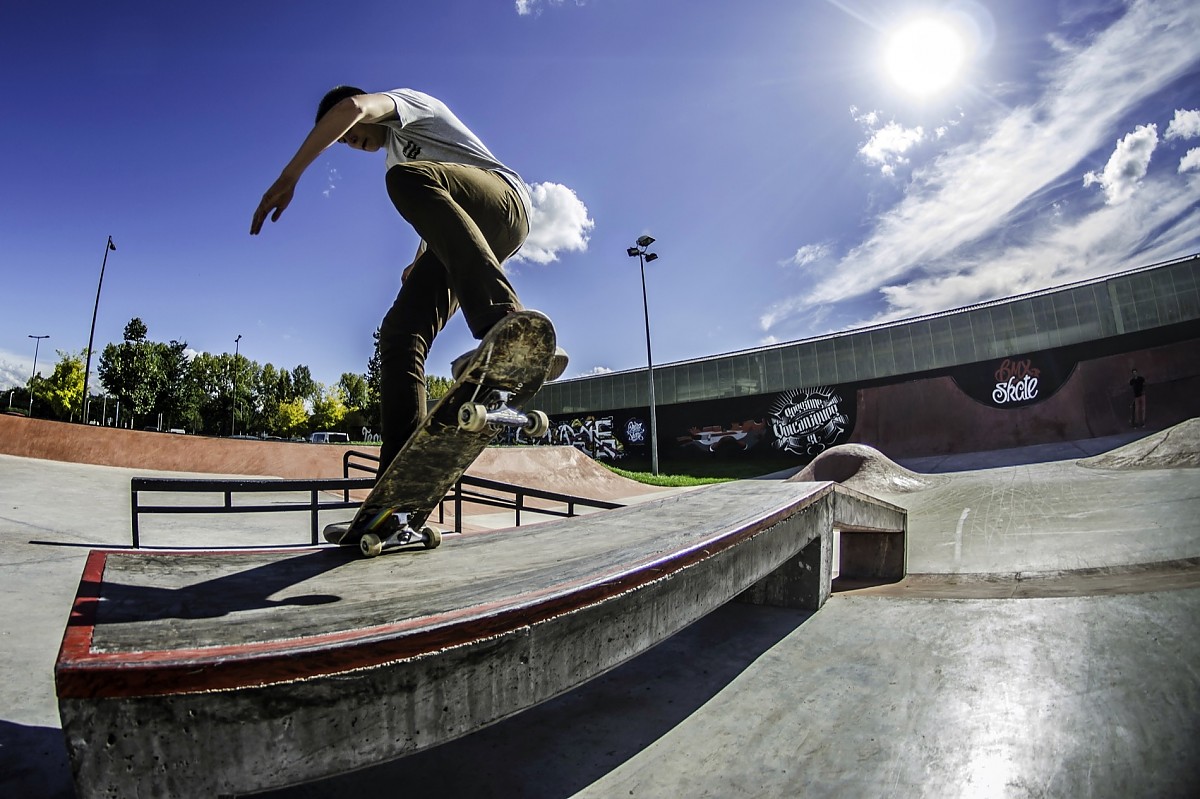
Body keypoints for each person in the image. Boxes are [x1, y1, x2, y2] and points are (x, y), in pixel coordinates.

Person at [251, 86, 565, 475]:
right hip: (472, 238)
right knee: (400, 332)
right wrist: (417, 263)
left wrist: (290, 174)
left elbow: (352, 107)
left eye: (350, 133)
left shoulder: (409, 107)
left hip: (504, 204)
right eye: (347, 143)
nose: (354, 142)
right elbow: (444, 216)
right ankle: (400, 482)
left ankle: (507, 323)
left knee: (402, 179)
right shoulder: (398, 163)